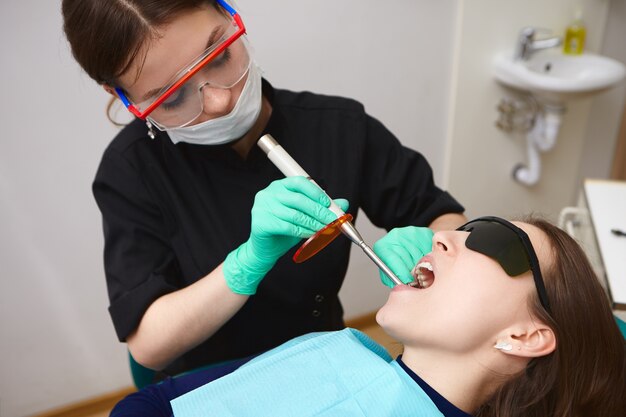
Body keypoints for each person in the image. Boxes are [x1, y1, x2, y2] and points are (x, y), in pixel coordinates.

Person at [61, 0, 466, 379]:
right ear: (122, 97)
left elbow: (445, 217)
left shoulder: (339, 127)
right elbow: (148, 344)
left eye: (218, 56)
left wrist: (432, 243)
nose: (219, 101)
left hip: (324, 361)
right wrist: (246, 264)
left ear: (229, 13)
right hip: (213, 385)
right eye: (173, 97)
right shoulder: (131, 171)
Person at [110, 216, 626, 416]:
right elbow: (154, 404)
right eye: (468, 225)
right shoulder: (334, 346)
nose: (441, 235)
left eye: (495, 241)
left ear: (525, 335)